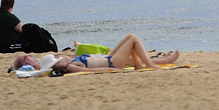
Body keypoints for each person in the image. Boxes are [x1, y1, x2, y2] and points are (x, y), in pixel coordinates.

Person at [24, 34, 180, 73]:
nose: (59, 60)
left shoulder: (66, 62)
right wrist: (113, 70)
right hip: (112, 63)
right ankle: (150, 64)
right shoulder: (70, 67)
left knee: (129, 38)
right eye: (56, 61)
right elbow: (92, 71)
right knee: (134, 39)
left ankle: (141, 64)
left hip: (108, 58)